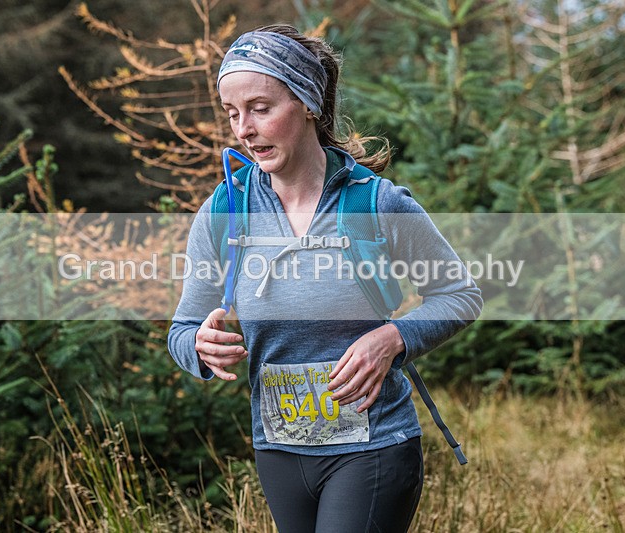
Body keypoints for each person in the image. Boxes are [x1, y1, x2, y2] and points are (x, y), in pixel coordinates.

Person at [168, 24, 482, 532]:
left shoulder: (375, 203)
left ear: (308, 103)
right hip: (279, 450)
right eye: (232, 113)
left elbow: (460, 295)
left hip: (373, 446)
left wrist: (392, 338)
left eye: (260, 108)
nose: (243, 129)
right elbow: (181, 331)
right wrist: (200, 347)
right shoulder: (226, 209)